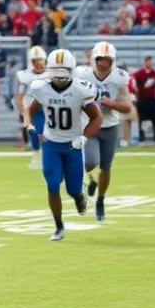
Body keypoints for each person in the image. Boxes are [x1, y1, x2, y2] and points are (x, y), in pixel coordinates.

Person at [27, 50, 102, 241]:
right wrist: (28, 123)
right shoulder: (41, 87)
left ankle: (79, 196)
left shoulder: (80, 90)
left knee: (73, 189)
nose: (60, 76)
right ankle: (59, 226)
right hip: (51, 145)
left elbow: (97, 117)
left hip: (73, 146)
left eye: (63, 71)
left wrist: (84, 137)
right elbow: (30, 109)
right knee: (52, 185)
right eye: (56, 71)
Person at [74, 42, 132, 221]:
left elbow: (127, 107)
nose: (103, 64)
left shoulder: (119, 78)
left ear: (112, 61)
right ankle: (88, 180)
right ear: (93, 59)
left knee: (106, 166)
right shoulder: (81, 74)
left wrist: (111, 104)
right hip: (90, 124)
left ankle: (100, 200)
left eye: (107, 60)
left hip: (110, 125)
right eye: (100, 59)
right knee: (90, 161)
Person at [16, 46, 47, 169]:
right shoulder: (25, 75)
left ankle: (45, 158)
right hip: (31, 107)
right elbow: (20, 95)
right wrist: (21, 108)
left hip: (47, 107)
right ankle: (36, 157)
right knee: (34, 134)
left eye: (40, 60)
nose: (39, 64)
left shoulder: (51, 74)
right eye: (35, 61)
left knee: (46, 134)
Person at [133, 56, 155, 144]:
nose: (149, 63)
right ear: (144, 62)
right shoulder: (138, 74)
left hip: (152, 98)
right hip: (142, 98)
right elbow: (136, 87)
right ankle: (142, 137)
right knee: (141, 119)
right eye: (147, 61)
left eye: (150, 61)